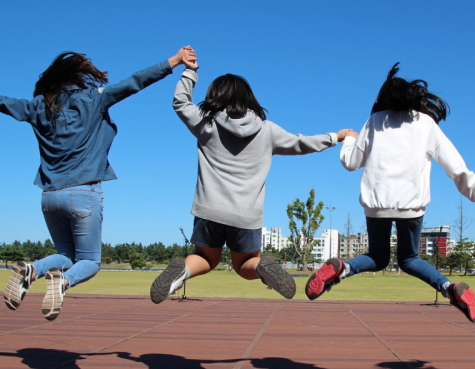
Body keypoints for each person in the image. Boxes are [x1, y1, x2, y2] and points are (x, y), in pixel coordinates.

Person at [0, 47, 189, 320]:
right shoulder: (93, 99)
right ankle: (63, 283)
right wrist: (174, 61)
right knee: (89, 262)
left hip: (49, 196)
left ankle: (32, 270)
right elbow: (135, 82)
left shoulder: (37, 107)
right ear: (77, 78)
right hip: (84, 193)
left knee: (66, 256)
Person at [149, 47, 353, 303]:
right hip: (246, 215)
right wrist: (336, 137)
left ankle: (182, 272)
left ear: (215, 97)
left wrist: (189, 72)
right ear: (248, 98)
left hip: (208, 210)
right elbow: (302, 143)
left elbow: (181, 102)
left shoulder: (207, 124)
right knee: (245, 264)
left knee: (205, 259)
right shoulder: (267, 131)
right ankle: (261, 268)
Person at [305, 63, 475, 324]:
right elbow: (456, 167)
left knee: (377, 257)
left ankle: (342, 269)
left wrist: (348, 138)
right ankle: (449, 289)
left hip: (376, 205)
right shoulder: (426, 124)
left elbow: (350, 163)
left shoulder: (374, 122)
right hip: (411, 207)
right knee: (409, 258)